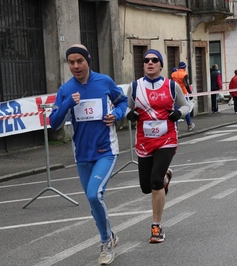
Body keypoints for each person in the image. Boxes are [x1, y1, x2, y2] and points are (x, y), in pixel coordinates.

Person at [49, 44, 128, 265]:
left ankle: (105, 243)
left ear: (87, 61)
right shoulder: (65, 89)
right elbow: (54, 123)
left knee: (95, 195)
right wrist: (66, 103)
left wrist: (117, 115)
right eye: (71, 62)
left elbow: (122, 101)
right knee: (93, 202)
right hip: (82, 154)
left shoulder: (104, 82)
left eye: (79, 61)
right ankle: (111, 236)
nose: (75, 66)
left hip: (106, 150)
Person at [126, 49, 190, 244]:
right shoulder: (135, 87)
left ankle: (156, 226)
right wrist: (129, 114)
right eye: (147, 60)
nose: (150, 63)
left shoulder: (171, 85)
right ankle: (166, 177)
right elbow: (127, 107)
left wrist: (179, 114)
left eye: (155, 60)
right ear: (143, 65)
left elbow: (187, 105)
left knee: (155, 182)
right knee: (146, 187)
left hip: (167, 139)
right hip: (144, 141)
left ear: (161, 65)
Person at [171, 61, 195, 130]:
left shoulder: (173, 74)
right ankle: (189, 124)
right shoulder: (184, 74)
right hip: (183, 93)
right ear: (184, 67)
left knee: (175, 111)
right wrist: (190, 93)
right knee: (186, 109)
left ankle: (176, 128)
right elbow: (186, 84)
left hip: (175, 93)